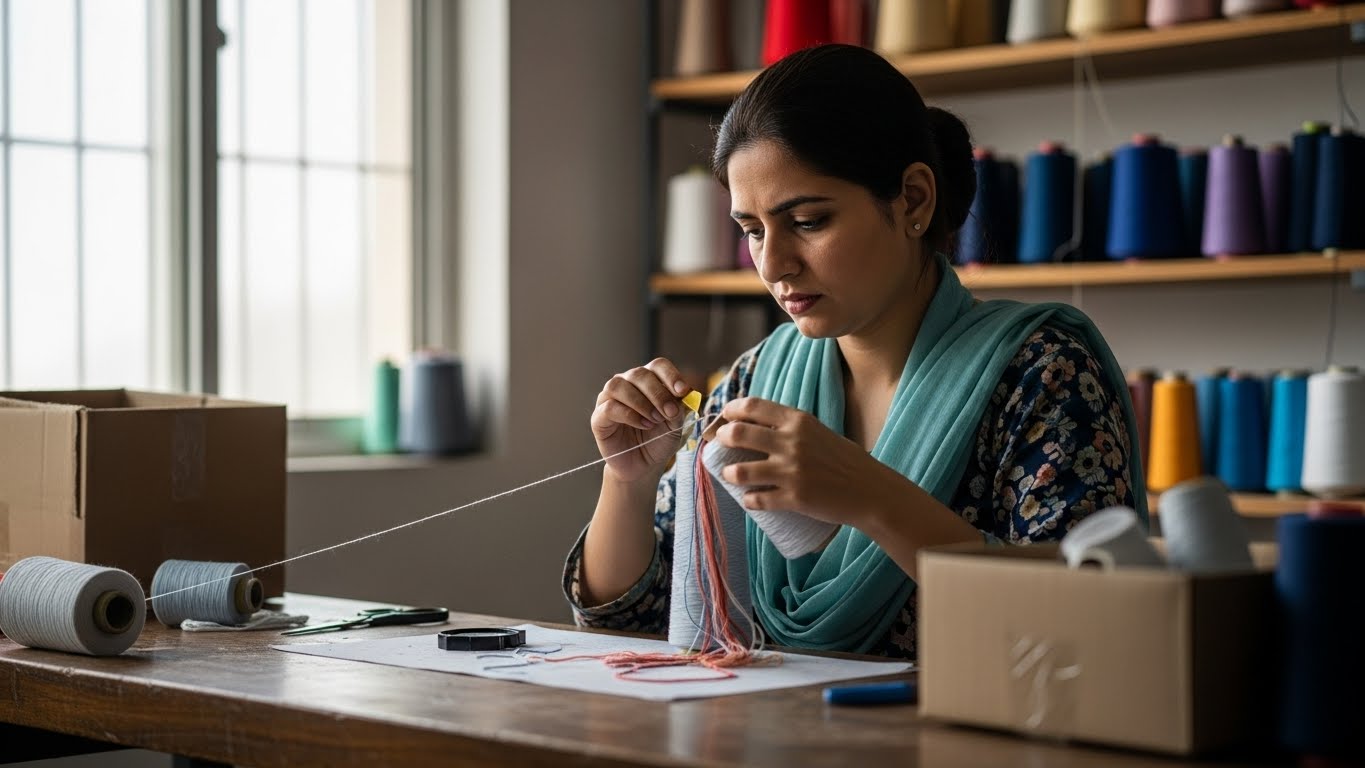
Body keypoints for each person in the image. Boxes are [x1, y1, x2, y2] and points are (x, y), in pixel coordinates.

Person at [563, 44, 1145, 658]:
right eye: (752, 231)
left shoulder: (1043, 374)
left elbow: (1089, 623)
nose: (773, 264)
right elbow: (634, 623)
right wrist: (627, 481)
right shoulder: (753, 379)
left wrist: (871, 496)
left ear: (914, 200)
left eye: (809, 221)